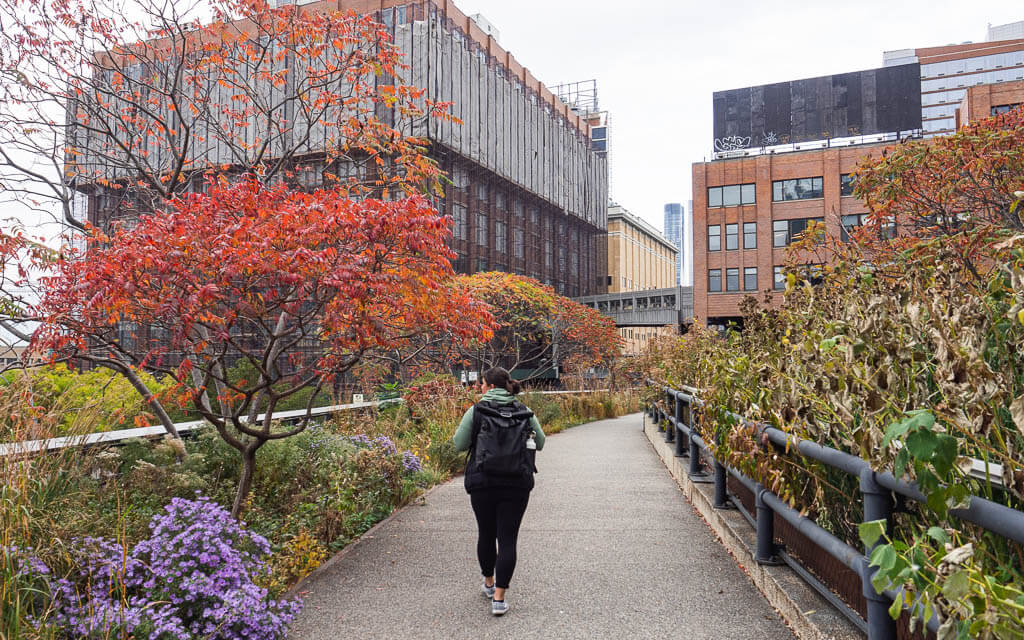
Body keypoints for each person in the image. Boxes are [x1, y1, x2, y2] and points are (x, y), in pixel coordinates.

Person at [452, 366, 545, 616]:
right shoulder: (524, 411)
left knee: (486, 532)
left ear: (490, 387)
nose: (480, 388)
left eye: (482, 384)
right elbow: (542, 442)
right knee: (507, 538)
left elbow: (458, 445)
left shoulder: (476, 411)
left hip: (483, 482)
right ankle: (499, 599)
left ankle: (488, 583)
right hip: (516, 483)